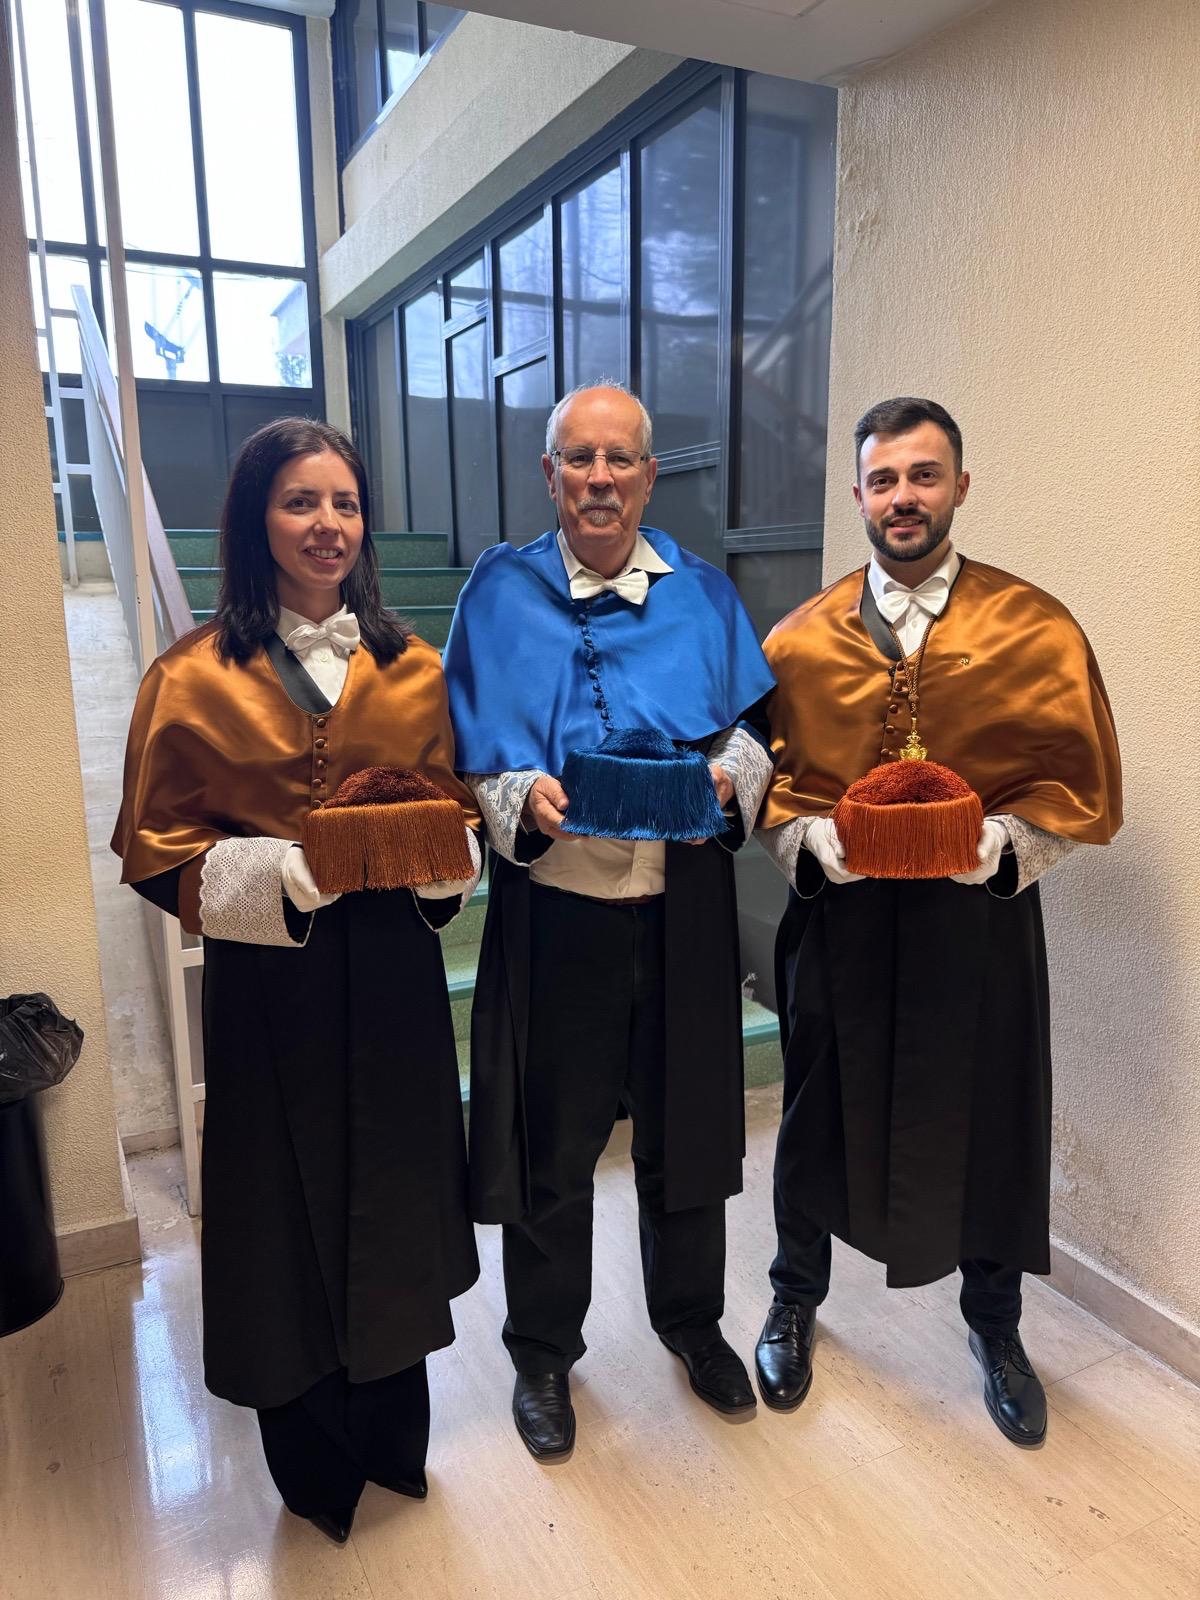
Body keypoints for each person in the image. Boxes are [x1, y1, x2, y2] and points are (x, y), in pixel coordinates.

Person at [112, 418, 481, 1542]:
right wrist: (289, 872)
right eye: (300, 502)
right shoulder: (187, 677)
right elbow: (156, 851)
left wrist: (442, 862)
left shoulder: (415, 668)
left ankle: (393, 1436)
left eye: (345, 503)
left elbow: (454, 809)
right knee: (279, 1206)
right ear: (255, 520)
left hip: (398, 977)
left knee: (398, 1189)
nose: (329, 525)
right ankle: (312, 1460)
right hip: (271, 984)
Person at [754, 397, 1122, 1446]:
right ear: (858, 495)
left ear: (960, 486)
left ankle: (996, 1327)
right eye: (884, 480)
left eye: (923, 476)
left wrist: (1001, 845)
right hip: (842, 919)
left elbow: (1079, 786)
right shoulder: (799, 639)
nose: (903, 497)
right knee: (814, 1109)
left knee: (993, 1113)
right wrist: (806, 840)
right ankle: (793, 1297)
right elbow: (763, 780)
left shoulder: (1036, 628)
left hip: (980, 921)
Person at [442, 383, 777, 1458]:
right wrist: (514, 795)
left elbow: (754, 732)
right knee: (554, 1146)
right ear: (550, 475)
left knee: (688, 1132)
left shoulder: (705, 594)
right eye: (578, 459)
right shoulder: (498, 594)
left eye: (620, 459)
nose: (599, 479)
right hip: (558, 916)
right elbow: (466, 757)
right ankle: (543, 1351)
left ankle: (692, 1323)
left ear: (648, 474)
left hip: (683, 913)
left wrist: (730, 774)